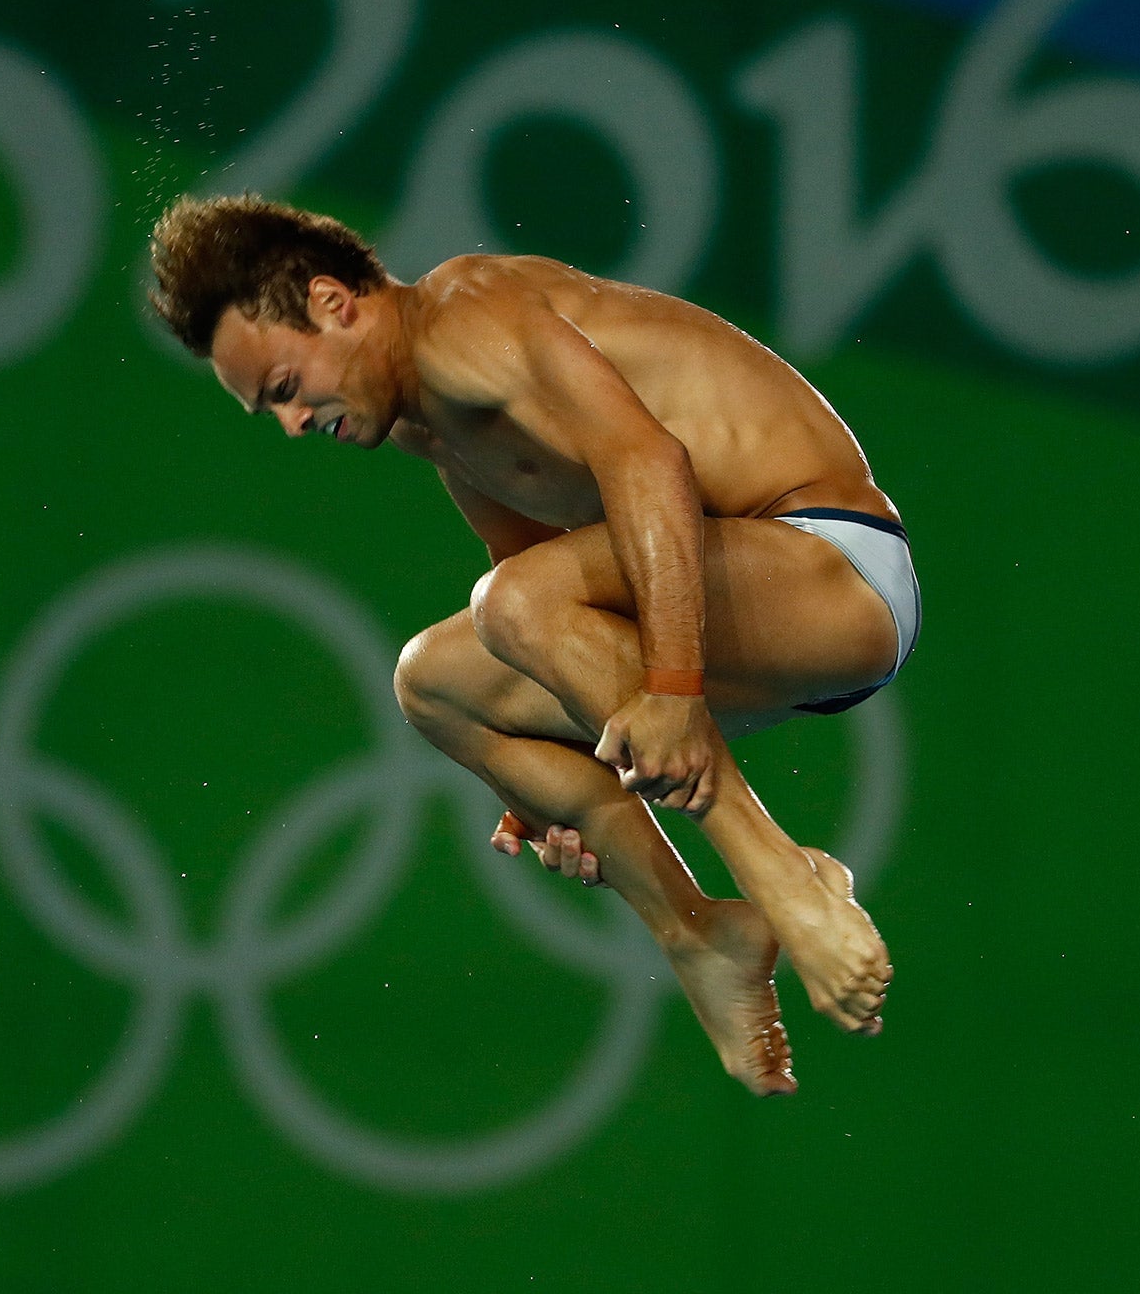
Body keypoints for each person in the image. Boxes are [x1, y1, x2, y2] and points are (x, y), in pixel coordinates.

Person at [147, 194, 918, 1096]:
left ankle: (779, 873)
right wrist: (552, 759)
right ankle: (699, 932)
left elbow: (648, 465)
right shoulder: (422, 422)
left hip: (835, 569)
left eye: (283, 388)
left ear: (331, 303)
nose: (289, 424)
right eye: (266, 411)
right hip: (740, 617)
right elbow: (548, 576)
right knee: (432, 684)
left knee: (510, 603)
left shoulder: (468, 312)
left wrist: (669, 691)